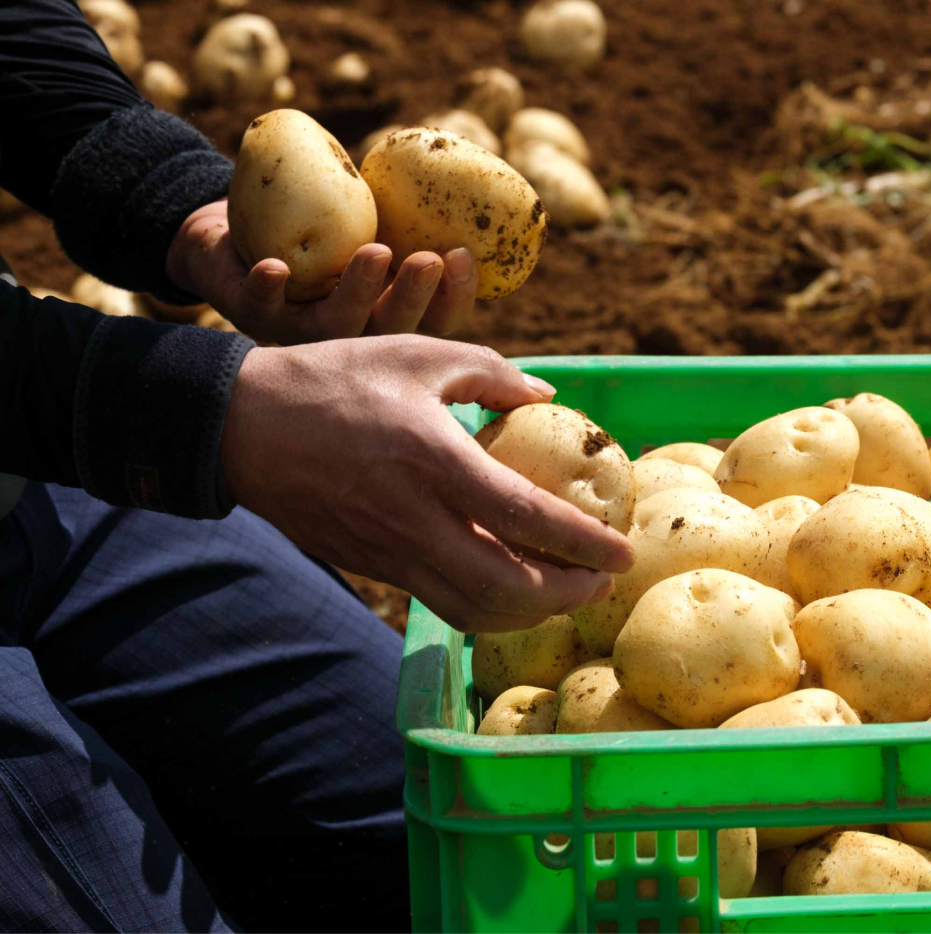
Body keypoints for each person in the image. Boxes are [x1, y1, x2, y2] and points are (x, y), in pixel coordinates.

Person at [0, 2, 632, 931]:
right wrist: (222, 420)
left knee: (458, 840)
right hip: (50, 415)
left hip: (37, 477)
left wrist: (187, 210)